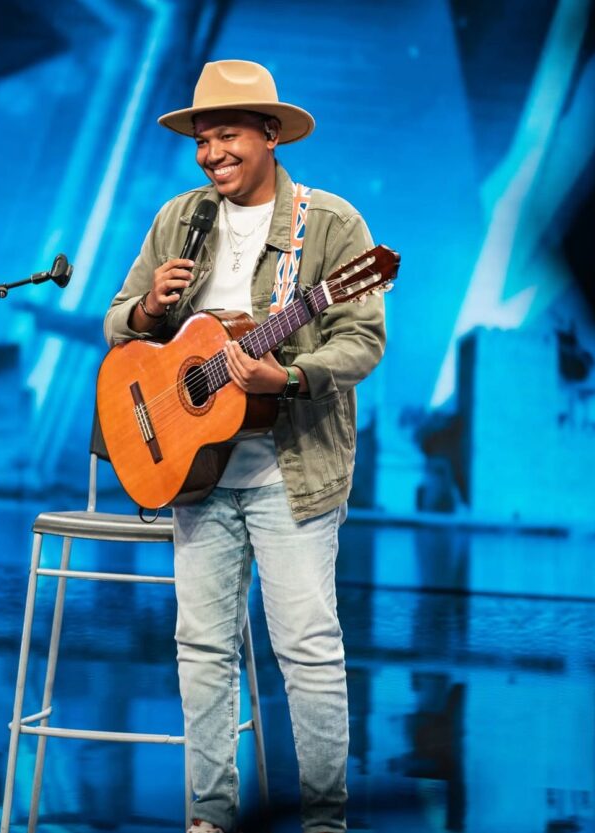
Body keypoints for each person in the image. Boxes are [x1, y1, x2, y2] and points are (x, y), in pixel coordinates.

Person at [103, 59, 386, 833]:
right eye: (202, 139)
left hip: (291, 471)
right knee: (201, 646)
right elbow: (119, 319)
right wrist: (147, 308)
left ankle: (323, 821)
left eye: (226, 135)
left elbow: (362, 341)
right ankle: (209, 817)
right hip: (194, 471)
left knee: (307, 648)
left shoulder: (332, 227)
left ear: (269, 133)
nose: (211, 153)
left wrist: (286, 375)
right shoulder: (179, 217)